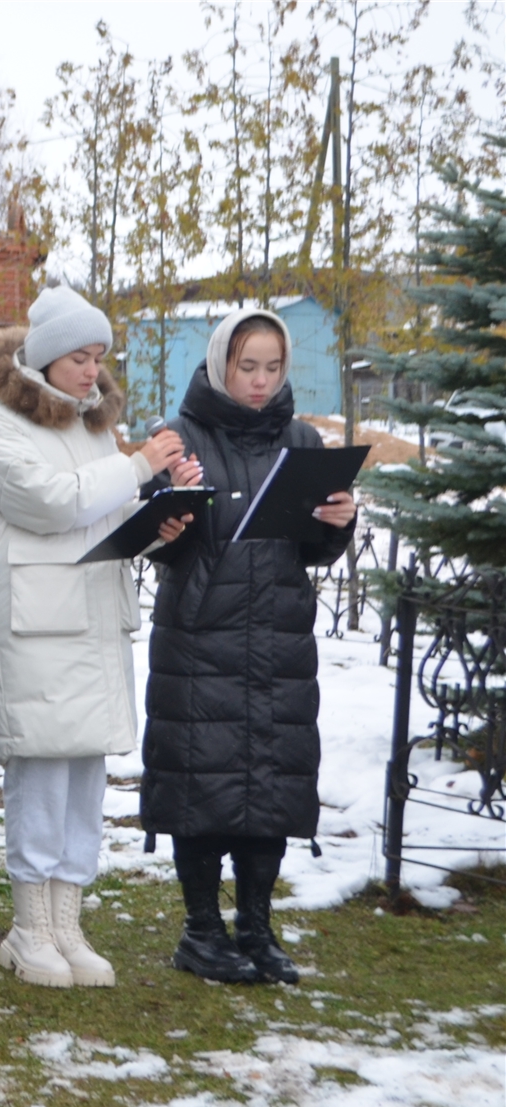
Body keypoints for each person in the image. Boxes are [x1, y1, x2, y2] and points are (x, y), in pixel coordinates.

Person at [0, 285, 196, 989]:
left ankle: (67, 925)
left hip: (94, 624)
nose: (92, 370)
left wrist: (155, 520)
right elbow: (52, 502)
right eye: (78, 356)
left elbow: (100, 520)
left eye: (99, 357)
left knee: (81, 784)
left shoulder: (92, 425)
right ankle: (28, 928)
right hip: (38, 629)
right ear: (43, 357)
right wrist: (138, 465)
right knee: (39, 777)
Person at [141, 310, 355, 986]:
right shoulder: (180, 438)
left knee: (270, 783)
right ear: (218, 365)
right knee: (200, 782)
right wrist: (168, 510)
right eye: (247, 366)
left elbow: (313, 546)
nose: (260, 381)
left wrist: (337, 523)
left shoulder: (301, 439)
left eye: (272, 367)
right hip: (201, 636)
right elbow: (154, 542)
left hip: (278, 636)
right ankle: (201, 929)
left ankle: (257, 928)